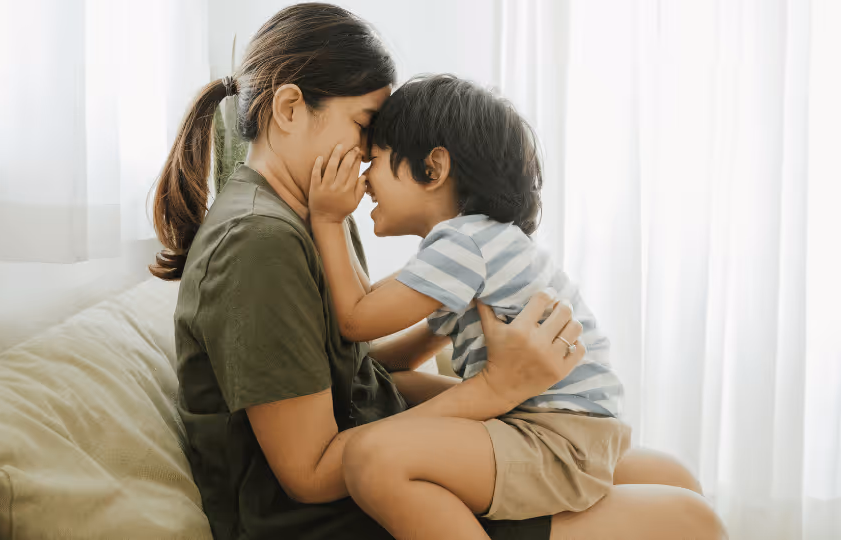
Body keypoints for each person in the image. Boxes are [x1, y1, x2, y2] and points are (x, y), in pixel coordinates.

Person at [150, 3, 727, 540]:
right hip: (335, 513)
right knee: (689, 519)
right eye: (365, 125)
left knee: (672, 475)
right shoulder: (261, 241)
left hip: (384, 449)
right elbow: (308, 473)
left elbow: (348, 368)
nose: (372, 156)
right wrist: (496, 389)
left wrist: (453, 328)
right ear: (289, 109)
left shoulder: (314, 212)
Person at [308, 74, 629, 538]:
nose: (363, 178)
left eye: (374, 161)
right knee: (399, 384)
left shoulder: (462, 245)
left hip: (557, 437)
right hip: (568, 425)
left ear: (433, 168)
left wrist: (327, 217)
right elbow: (398, 350)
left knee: (374, 456)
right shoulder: (477, 247)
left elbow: (357, 319)